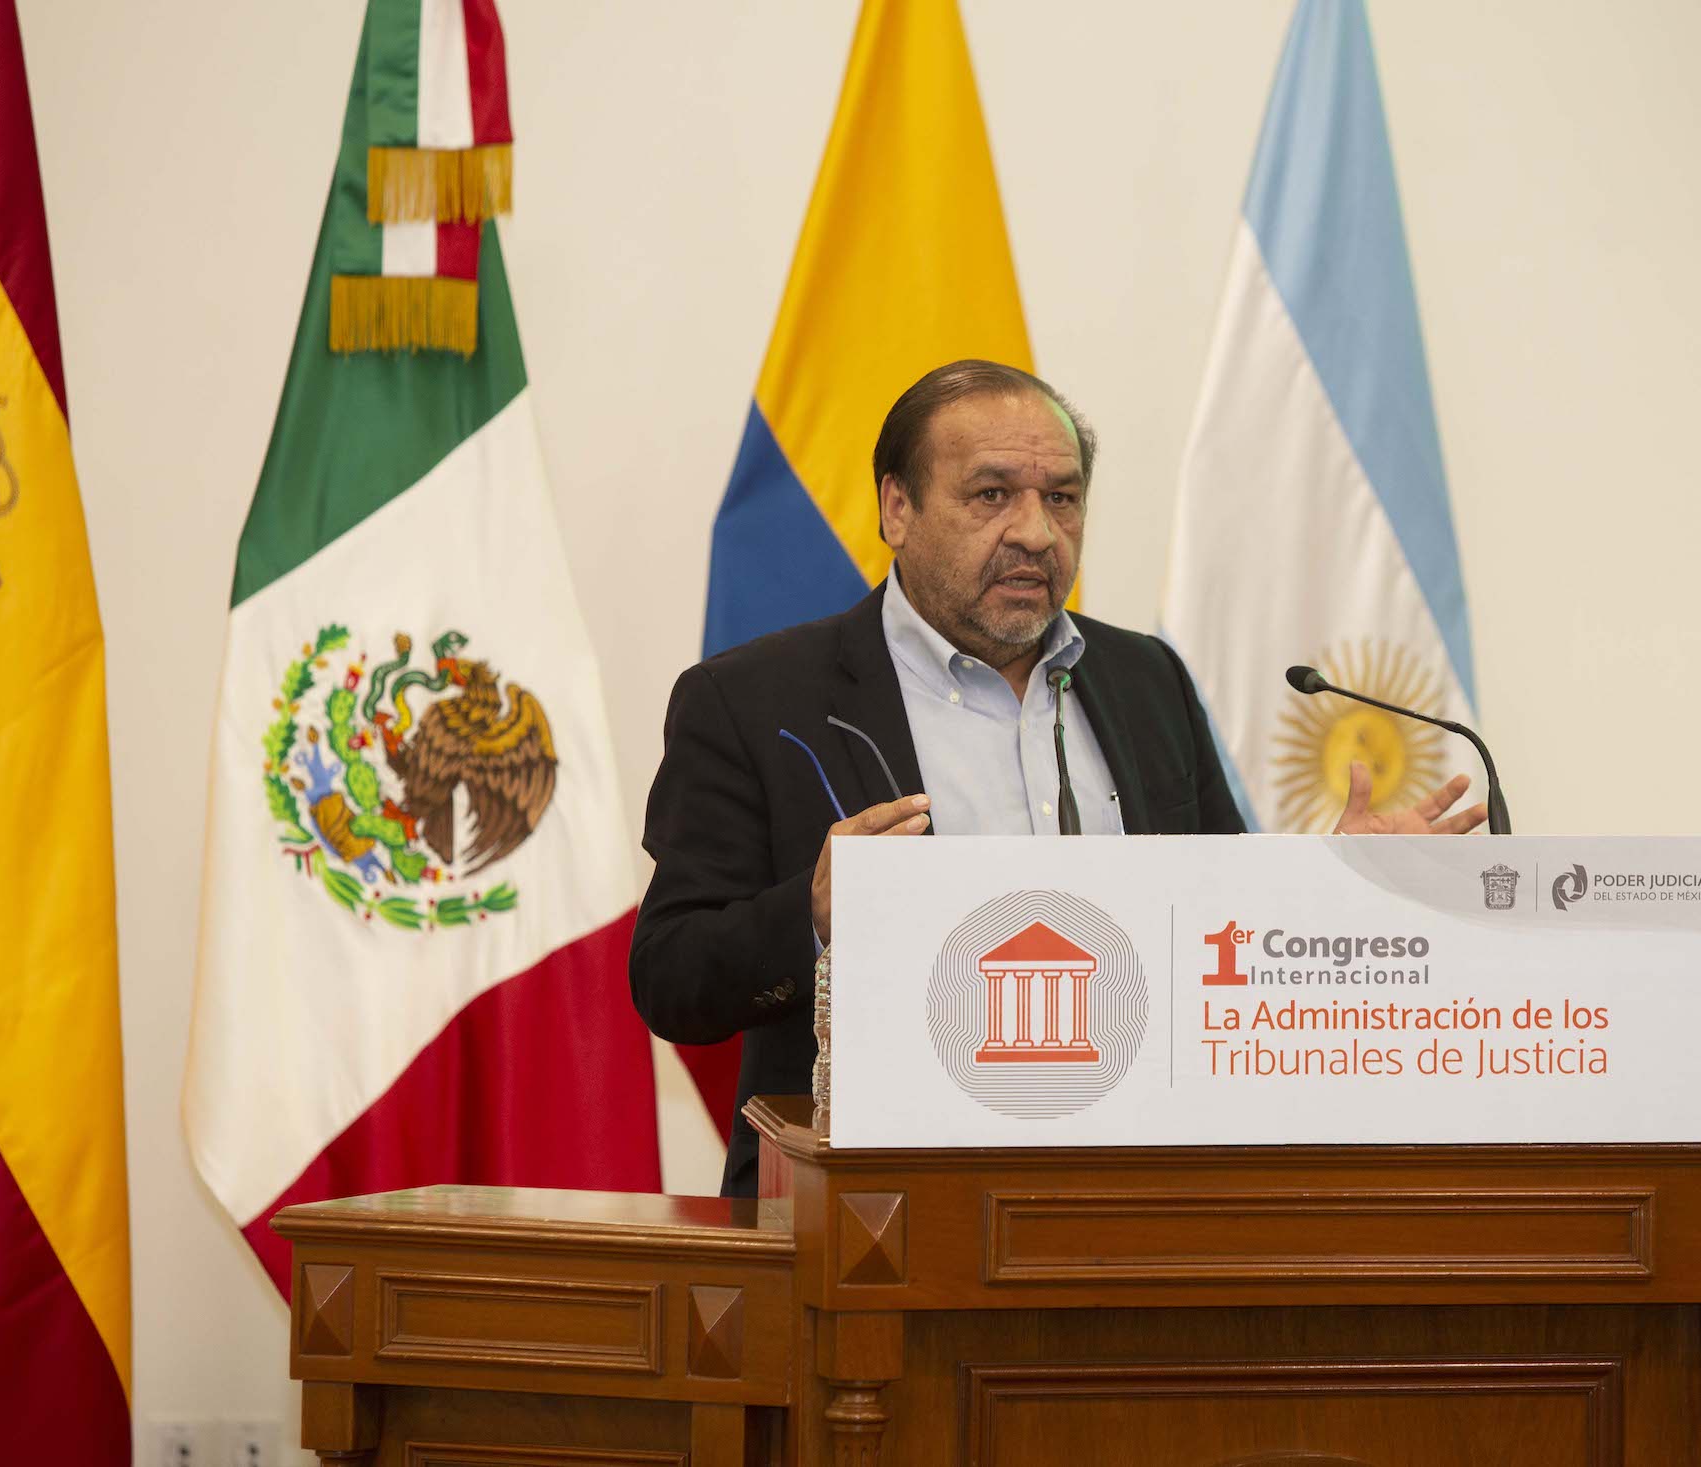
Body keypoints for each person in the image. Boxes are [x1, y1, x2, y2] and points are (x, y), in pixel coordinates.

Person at [631, 359, 1486, 1195]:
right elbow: (670, 978)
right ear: (899, 508)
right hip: (872, 1208)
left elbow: (1213, 925)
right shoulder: (754, 700)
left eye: (1063, 498)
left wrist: (1329, 886)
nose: (1038, 532)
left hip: (1132, 1199)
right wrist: (812, 914)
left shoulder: (1145, 679)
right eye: (992, 494)